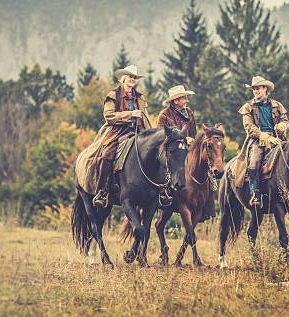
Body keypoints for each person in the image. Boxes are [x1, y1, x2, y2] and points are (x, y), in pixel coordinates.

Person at [92, 65, 152, 207]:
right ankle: (101, 191)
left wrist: (151, 133)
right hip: (117, 132)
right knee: (106, 155)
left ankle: (157, 191)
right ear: (123, 78)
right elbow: (109, 116)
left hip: (138, 132)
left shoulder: (140, 97)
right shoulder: (113, 95)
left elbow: (146, 118)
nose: (132, 79)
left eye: (135, 77)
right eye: (130, 76)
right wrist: (131, 114)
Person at [158, 85, 216, 221]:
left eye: (186, 97)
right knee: (165, 173)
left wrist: (194, 141)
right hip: (173, 151)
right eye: (184, 98)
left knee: (208, 173)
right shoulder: (164, 115)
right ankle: (164, 196)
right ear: (175, 101)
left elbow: (194, 133)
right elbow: (162, 136)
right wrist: (183, 139)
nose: (186, 100)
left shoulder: (189, 112)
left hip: (189, 149)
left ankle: (207, 209)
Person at [237, 76, 289, 207]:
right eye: (253, 89)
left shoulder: (277, 105)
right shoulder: (248, 107)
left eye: (258, 88)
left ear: (265, 89)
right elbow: (249, 127)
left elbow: (285, 120)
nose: (255, 91)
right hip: (258, 141)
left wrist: (282, 126)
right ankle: (255, 194)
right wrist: (264, 136)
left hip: (278, 139)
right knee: (254, 164)